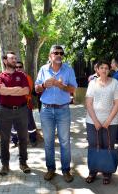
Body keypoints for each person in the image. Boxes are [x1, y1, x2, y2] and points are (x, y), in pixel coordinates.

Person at [35, 45, 77, 183]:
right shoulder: (43, 69)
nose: (59, 55)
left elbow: (73, 88)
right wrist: (43, 86)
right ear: (50, 56)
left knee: (65, 142)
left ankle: (66, 170)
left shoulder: (68, 70)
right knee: (48, 141)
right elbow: (36, 89)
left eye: (61, 53)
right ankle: (50, 169)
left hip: (63, 109)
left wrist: (62, 86)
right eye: (56, 53)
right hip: (46, 110)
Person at [85, 60, 118, 185]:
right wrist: (95, 121)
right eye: (102, 67)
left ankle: (107, 172)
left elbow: (117, 103)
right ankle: (93, 171)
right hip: (92, 121)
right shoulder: (92, 83)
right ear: (97, 70)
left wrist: (107, 121)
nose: (104, 70)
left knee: (108, 146)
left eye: (106, 68)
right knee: (94, 145)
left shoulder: (115, 83)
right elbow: (88, 103)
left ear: (109, 70)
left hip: (111, 121)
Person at [0, 51, 30, 176]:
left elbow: (26, 91)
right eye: (12, 58)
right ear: (5, 61)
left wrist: (9, 90)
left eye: (16, 58)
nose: (15, 60)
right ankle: (5, 164)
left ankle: (23, 162)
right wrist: (16, 89)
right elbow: (2, 92)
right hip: (5, 111)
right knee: (4, 139)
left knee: (23, 138)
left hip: (21, 110)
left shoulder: (22, 75)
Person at [11, 61, 38, 147]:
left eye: (20, 67)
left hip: (26, 104)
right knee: (14, 124)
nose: (18, 68)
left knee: (30, 123)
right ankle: (14, 140)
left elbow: (27, 90)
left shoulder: (27, 78)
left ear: (23, 68)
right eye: (16, 67)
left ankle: (33, 139)